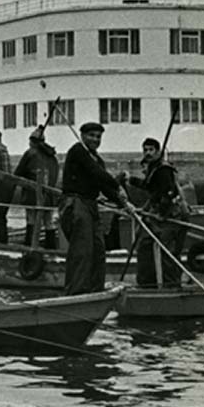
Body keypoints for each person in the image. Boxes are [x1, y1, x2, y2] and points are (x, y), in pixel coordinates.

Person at [59, 122, 129, 295]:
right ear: (82, 135)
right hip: (75, 203)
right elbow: (95, 172)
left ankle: (95, 291)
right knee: (82, 251)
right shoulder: (78, 151)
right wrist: (116, 183)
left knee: (98, 250)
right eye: (91, 135)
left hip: (91, 205)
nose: (95, 140)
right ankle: (76, 293)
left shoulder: (97, 159)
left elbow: (103, 187)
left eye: (98, 137)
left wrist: (124, 204)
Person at [124, 137, 188, 288]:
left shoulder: (163, 170)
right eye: (145, 150)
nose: (148, 153)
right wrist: (131, 180)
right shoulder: (153, 169)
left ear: (158, 151)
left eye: (151, 150)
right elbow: (151, 189)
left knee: (168, 253)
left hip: (172, 215)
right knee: (144, 246)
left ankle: (172, 286)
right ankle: (147, 284)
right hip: (158, 214)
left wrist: (163, 214)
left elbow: (168, 193)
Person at [13, 126, 60, 248]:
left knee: (31, 219)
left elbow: (18, 172)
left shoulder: (30, 153)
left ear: (32, 141)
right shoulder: (52, 156)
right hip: (49, 196)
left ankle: (29, 246)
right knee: (49, 221)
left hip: (32, 194)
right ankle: (51, 247)